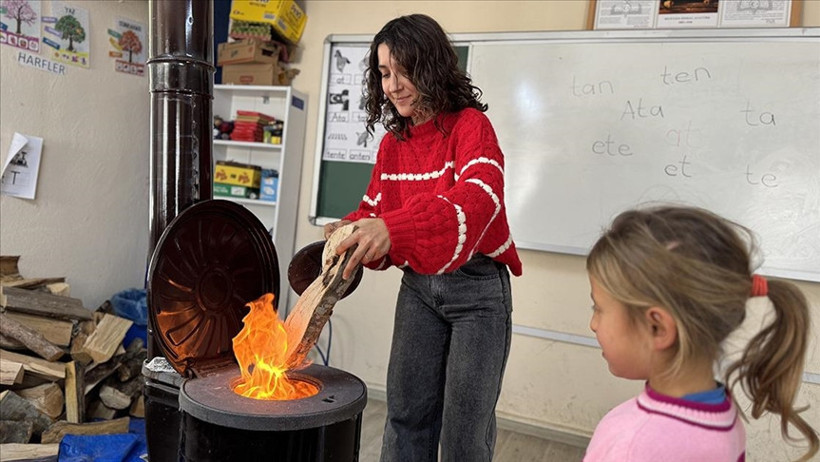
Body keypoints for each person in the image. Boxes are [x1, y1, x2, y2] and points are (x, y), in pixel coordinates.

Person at [324, 14, 522, 462]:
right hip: (418, 289)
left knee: (464, 435)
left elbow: (479, 199)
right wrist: (349, 229)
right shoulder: (392, 145)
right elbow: (375, 212)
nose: (393, 86)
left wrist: (392, 228)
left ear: (431, 66)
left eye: (404, 70)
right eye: (384, 73)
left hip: (478, 293)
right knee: (406, 418)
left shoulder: (471, 127)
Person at [583, 205, 818, 462]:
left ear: (657, 328)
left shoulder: (629, 444)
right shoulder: (723, 415)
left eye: (598, 308)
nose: (593, 324)